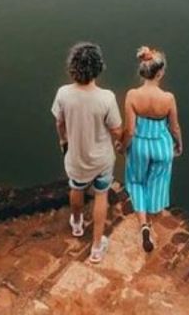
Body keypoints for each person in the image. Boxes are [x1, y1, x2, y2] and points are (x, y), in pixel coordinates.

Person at [51, 43, 122, 264]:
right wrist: (125, 137)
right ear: (98, 68)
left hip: (76, 157)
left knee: (76, 188)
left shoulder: (63, 93)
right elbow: (117, 130)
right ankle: (97, 248)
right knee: (101, 196)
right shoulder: (107, 98)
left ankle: (77, 223)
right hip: (101, 160)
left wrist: (64, 142)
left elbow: (60, 123)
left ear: (72, 67)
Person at [122, 47, 182, 254]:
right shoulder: (168, 98)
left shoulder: (132, 95)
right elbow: (174, 127)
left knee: (137, 181)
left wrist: (123, 145)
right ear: (160, 73)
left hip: (140, 144)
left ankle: (143, 225)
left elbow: (129, 129)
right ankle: (153, 218)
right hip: (161, 144)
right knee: (157, 182)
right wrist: (179, 144)